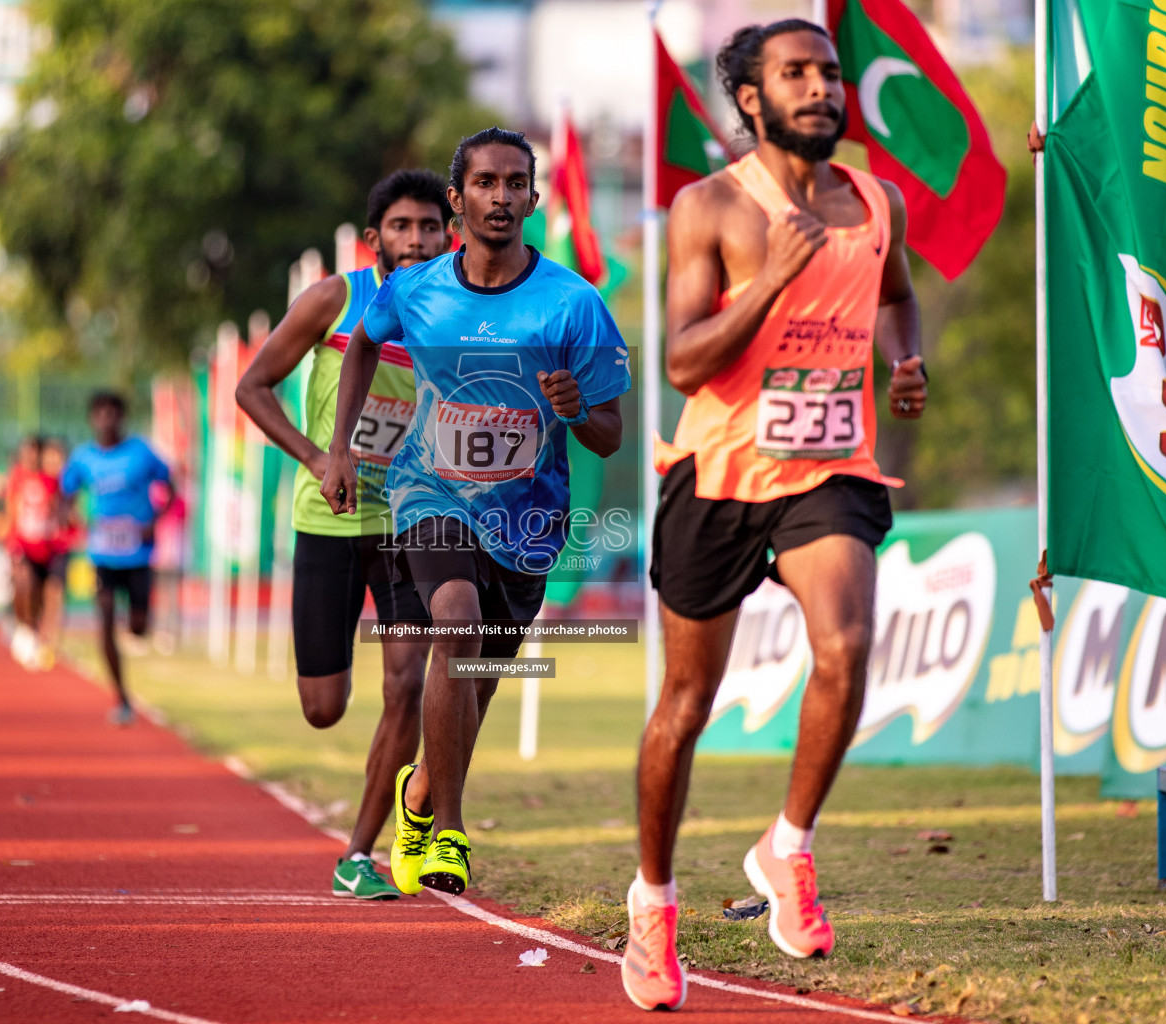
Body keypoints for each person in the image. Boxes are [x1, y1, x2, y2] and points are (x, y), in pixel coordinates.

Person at [621, 22, 928, 1011]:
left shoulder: (875, 202)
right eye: (796, 74)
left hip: (828, 467)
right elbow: (682, 362)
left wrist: (904, 357)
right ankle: (653, 899)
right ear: (751, 98)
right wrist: (772, 282)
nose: (821, 88)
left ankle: (786, 846)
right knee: (684, 706)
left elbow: (897, 293)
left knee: (844, 642)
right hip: (716, 473)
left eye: (830, 73)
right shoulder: (708, 205)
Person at [321, 128, 631, 898]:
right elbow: (361, 345)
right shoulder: (416, 288)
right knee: (452, 621)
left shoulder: (573, 303)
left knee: (481, 676)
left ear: (533, 197)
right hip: (429, 490)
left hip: (528, 516)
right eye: (485, 183)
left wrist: (576, 407)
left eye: (515, 182)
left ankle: (421, 800)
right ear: (458, 201)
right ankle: (454, 835)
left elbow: (608, 434)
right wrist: (342, 448)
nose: (501, 196)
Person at [236, 170, 451, 900]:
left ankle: (360, 854)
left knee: (407, 684)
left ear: (448, 235)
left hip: (412, 521)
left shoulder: (462, 315)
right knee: (323, 707)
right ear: (376, 239)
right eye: (402, 227)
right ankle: (377, 808)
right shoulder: (337, 298)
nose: (417, 240)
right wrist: (319, 454)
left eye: (429, 227)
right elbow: (251, 387)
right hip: (326, 516)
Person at [61, 391, 172, 724]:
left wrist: (155, 519)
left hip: (138, 553)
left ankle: (137, 624)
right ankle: (121, 696)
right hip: (103, 554)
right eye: (100, 414)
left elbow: (171, 485)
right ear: (92, 419)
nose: (107, 419)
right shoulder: (83, 458)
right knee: (105, 617)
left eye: (113, 413)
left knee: (138, 627)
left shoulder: (141, 453)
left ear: (121, 417)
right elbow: (65, 493)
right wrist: (69, 515)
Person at [0, 435, 59, 667]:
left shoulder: (51, 479)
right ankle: (22, 627)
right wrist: (9, 537)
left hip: (44, 546)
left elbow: (57, 508)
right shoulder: (17, 477)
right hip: (21, 543)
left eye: (35, 452)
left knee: (40, 594)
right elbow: (10, 510)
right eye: (27, 451)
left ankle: (32, 627)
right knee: (24, 583)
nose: (31, 456)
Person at [35, 436, 78, 670]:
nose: (55, 461)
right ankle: (35, 630)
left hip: (61, 545)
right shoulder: (37, 481)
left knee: (56, 591)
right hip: (39, 545)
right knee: (38, 590)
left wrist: (72, 520)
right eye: (50, 456)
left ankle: (51, 640)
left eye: (59, 457)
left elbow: (76, 512)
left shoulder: (69, 484)